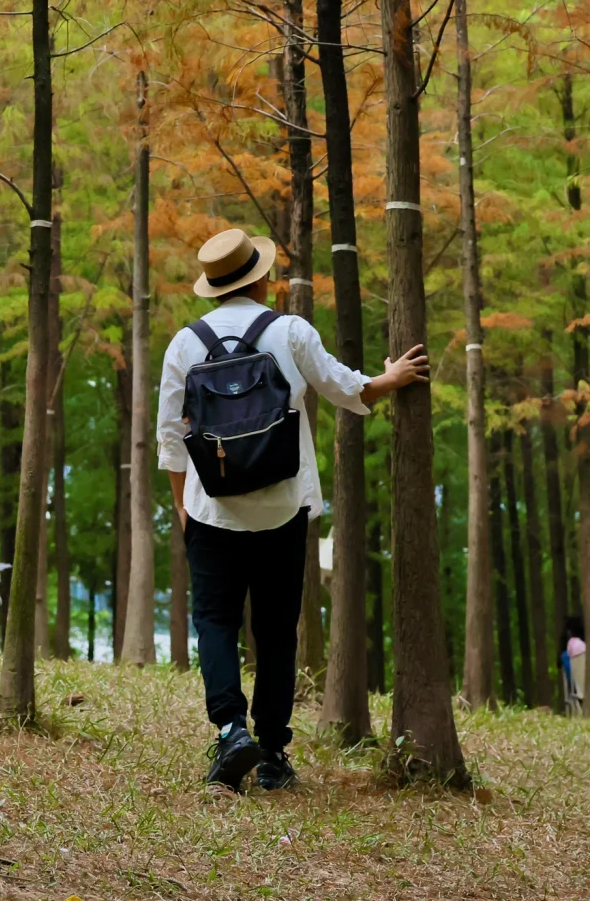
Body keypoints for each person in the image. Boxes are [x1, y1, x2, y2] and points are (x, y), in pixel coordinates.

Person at [157, 225, 429, 793]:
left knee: (215, 622)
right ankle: (274, 753)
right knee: (277, 630)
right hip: (282, 510)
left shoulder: (184, 344)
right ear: (260, 281)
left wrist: (183, 507)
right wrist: (392, 378)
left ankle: (230, 730)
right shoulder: (290, 331)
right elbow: (346, 388)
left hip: (212, 514)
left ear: (214, 286)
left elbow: (170, 437)